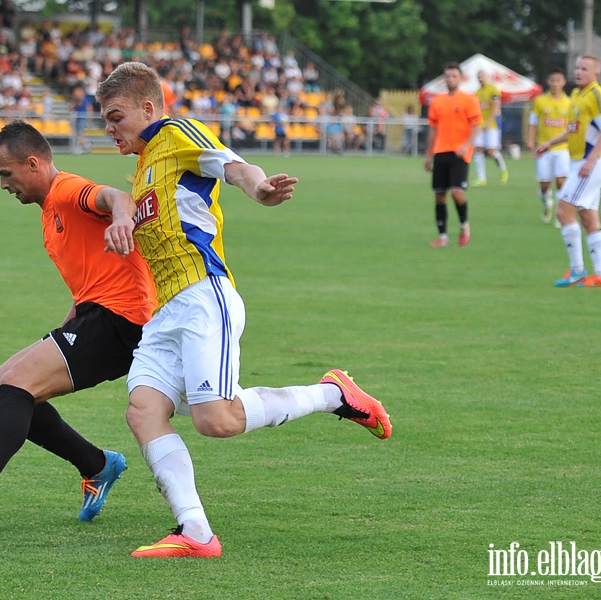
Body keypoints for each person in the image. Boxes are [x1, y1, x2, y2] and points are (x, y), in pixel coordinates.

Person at [95, 61, 391, 559]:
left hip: (203, 296)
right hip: (166, 312)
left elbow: (232, 166)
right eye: (104, 117)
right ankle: (196, 533)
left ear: (148, 107)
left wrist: (258, 188)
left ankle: (332, 394)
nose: (109, 127)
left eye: (115, 115)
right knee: (144, 409)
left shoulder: (175, 133)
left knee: (218, 420)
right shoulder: (144, 166)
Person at [0, 120, 158, 528]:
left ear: (34, 163)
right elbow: (91, 277)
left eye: (7, 173)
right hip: (95, 314)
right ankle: (96, 465)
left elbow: (117, 196)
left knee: (19, 385)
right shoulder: (48, 212)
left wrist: (120, 220)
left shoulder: (67, 190)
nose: (4, 184)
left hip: (123, 320)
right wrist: (70, 319)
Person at [536, 55, 601, 288]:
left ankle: (578, 270)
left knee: (563, 210)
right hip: (579, 162)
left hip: (588, 164)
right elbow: (575, 130)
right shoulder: (578, 96)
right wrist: (551, 142)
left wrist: (590, 161)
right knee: (588, 217)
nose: (578, 72)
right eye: (577, 67)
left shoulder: (597, 94)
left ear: (595, 73)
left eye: (584, 68)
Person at [424, 62, 482, 248]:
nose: (450, 79)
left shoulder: (469, 100)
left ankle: (464, 225)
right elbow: (433, 129)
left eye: (454, 76)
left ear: (460, 78)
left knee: (457, 192)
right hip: (441, 151)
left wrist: (466, 146)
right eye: (447, 76)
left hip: (459, 153)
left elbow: (476, 126)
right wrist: (429, 154)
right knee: (440, 195)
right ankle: (443, 237)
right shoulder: (437, 101)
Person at [526, 69, 571, 226]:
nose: (555, 83)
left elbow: (572, 127)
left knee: (561, 182)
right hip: (543, 149)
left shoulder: (569, 103)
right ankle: (547, 204)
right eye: (553, 80)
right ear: (548, 81)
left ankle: (560, 214)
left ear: (564, 82)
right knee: (544, 185)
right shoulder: (540, 101)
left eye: (558, 80)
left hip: (563, 148)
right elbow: (533, 122)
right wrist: (531, 140)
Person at [472, 70, 509, 186]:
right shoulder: (477, 92)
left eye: (482, 76)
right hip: (479, 125)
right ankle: (481, 178)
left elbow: (496, 107)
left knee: (491, 151)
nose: (480, 78)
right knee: (478, 149)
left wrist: (489, 122)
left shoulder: (493, 90)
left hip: (492, 125)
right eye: (478, 76)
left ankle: (503, 170)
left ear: (487, 77)